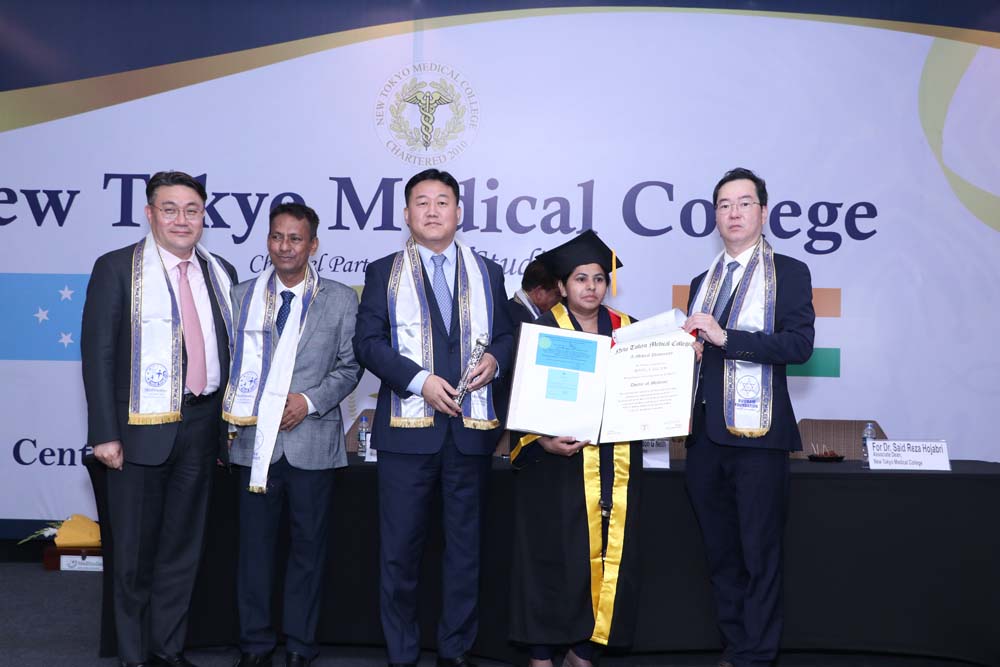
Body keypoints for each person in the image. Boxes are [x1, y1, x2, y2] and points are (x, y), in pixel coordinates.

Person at [353, 169, 514, 667]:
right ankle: (402, 653)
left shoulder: (488, 272)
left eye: (442, 201)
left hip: (469, 436)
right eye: (421, 202)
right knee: (400, 553)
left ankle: (455, 650)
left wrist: (496, 360)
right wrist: (420, 380)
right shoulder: (383, 272)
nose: (432, 210)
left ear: (459, 212)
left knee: (465, 552)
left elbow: (507, 335)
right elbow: (367, 344)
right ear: (406, 214)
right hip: (407, 437)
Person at [81, 171, 237, 667]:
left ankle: (167, 650)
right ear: (150, 214)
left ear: (203, 216)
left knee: (181, 552)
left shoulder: (221, 271)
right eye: (170, 209)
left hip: (202, 427)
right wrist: (104, 433)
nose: (181, 220)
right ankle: (133, 656)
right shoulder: (117, 268)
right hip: (137, 433)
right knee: (133, 555)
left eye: (192, 210)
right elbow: (98, 354)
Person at [681, 168, 815, 667]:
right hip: (704, 439)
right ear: (714, 216)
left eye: (743, 203)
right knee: (721, 555)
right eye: (723, 205)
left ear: (763, 212)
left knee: (760, 555)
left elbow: (799, 346)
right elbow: (700, 354)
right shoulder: (702, 282)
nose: (733, 213)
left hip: (759, 440)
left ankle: (757, 656)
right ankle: (735, 647)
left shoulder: (790, 273)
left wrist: (725, 338)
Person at [225, 203, 361, 667]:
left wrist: (309, 401)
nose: (285, 247)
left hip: (312, 445)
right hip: (252, 446)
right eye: (277, 237)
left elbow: (350, 367)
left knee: (308, 552)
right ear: (268, 240)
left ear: (313, 245)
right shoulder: (241, 296)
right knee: (254, 553)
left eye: (295, 238)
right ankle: (255, 645)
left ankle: (301, 645)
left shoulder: (340, 299)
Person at [507, 230, 641, 667]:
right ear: (563, 287)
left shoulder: (631, 330)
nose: (591, 287)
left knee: (606, 559)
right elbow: (516, 400)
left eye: (599, 278)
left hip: (613, 465)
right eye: (581, 279)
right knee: (551, 561)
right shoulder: (541, 331)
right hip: (555, 469)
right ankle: (542, 654)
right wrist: (541, 440)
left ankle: (583, 649)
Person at [508, 259, 560, 328]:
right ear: (539, 293)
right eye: (558, 294)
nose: (560, 300)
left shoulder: (511, 311)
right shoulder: (517, 323)